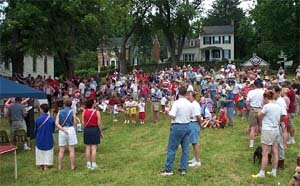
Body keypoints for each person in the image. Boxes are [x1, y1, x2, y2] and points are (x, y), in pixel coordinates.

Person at [160, 86, 193, 176]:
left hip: (178, 126)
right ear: (186, 93)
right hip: (187, 126)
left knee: (172, 148)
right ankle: (183, 169)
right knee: (185, 149)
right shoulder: (190, 103)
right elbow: (191, 116)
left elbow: (173, 116)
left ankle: (168, 170)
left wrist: (167, 112)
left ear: (178, 93)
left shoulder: (176, 103)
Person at [252, 91, 283, 178]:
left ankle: (262, 173)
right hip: (276, 129)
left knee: (265, 152)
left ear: (265, 98)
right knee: (275, 151)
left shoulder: (266, 106)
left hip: (267, 130)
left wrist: (261, 108)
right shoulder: (278, 106)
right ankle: (274, 171)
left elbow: (259, 116)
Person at [55, 98, 78, 170]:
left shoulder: (60, 112)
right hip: (70, 129)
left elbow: (56, 123)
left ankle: (59, 167)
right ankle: (72, 166)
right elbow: (75, 123)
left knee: (61, 150)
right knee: (71, 149)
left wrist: (62, 129)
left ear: (64, 104)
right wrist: (74, 129)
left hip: (62, 130)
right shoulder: (72, 112)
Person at [82, 99, 103, 170]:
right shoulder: (97, 112)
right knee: (94, 147)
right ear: (92, 104)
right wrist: (101, 132)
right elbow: (99, 124)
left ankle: (88, 164)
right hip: (94, 130)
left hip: (87, 130)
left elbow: (83, 123)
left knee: (87, 147)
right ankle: (93, 164)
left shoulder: (84, 111)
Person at [35, 104, 55, 171]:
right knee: (48, 151)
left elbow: (36, 129)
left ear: (42, 110)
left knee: (40, 150)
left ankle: (41, 164)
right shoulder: (51, 119)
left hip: (40, 136)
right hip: (48, 136)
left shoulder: (38, 119)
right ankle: (47, 164)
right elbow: (53, 129)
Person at [246, 79, 264, 148]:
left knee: (252, 128)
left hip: (253, 109)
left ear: (254, 85)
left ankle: (251, 144)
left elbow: (247, 103)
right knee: (261, 127)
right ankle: (263, 142)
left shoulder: (251, 92)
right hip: (261, 110)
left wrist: (249, 108)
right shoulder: (263, 92)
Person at [273, 86, 288, 169]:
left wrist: (278, 122)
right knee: (275, 143)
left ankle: (281, 162)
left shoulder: (280, 101)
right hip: (276, 124)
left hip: (278, 124)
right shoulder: (277, 100)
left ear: (278, 92)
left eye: (273, 92)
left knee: (279, 144)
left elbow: (284, 115)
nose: (272, 94)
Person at [187, 91, 202, 167]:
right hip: (192, 124)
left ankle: (198, 161)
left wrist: (200, 124)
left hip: (194, 124)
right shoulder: (192, 104)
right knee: (193, 142)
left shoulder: (195, 105)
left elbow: (198, 116)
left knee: (195, 143)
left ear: (192, 96)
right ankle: (195, 158)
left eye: (189, 96)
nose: (187, 97)